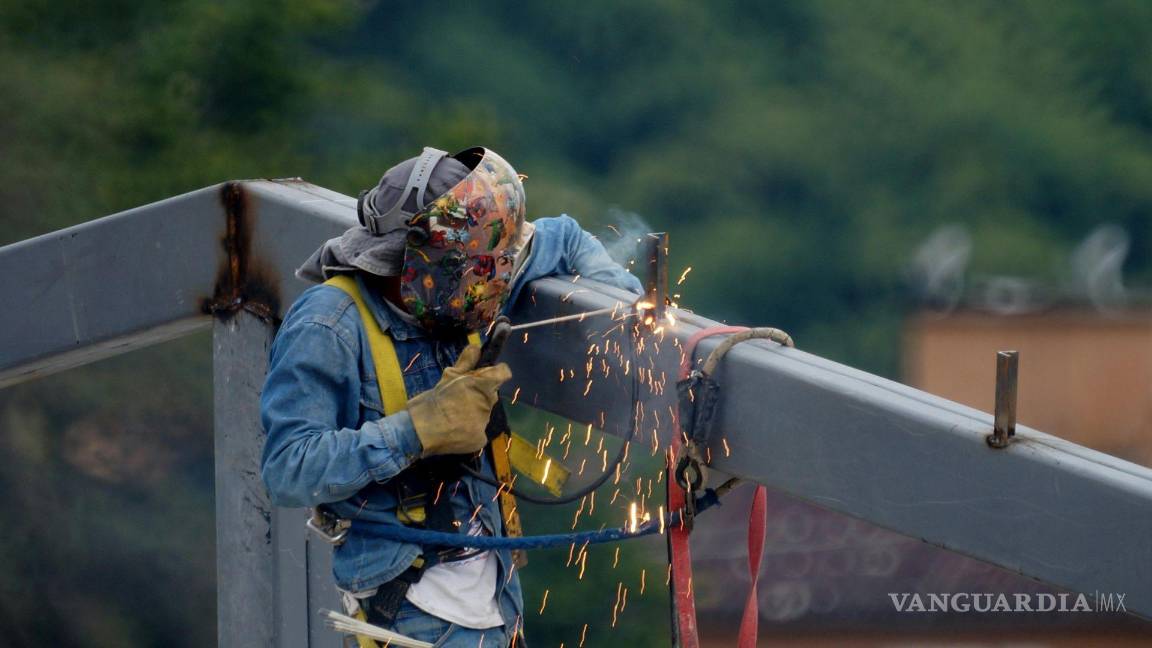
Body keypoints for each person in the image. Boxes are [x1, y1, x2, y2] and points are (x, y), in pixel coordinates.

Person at [260, 146, 642, 647]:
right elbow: (287, 470)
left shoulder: (467, 275)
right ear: (424, 260)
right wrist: (414, 432)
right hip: (410, 611)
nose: (496, 281)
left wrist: (624, 307)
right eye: (480, 269)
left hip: (498, 602)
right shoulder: (329, 326)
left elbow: (563, 235)